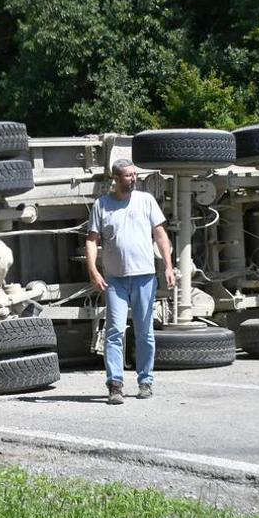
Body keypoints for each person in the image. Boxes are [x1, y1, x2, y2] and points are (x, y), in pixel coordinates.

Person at [85, 158, 176, 404]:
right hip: (115, 280)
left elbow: (160, 235)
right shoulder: (102, 205)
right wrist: (93, 271)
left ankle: (145, 381)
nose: (133, 179)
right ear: (116, 178)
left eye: (135, 174)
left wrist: (168, 266)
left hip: (145, 277)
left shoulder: (146, 200)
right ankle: (115, 385)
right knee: (114, 330)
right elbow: (92, 240)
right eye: (128, 175)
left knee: (145, 332)